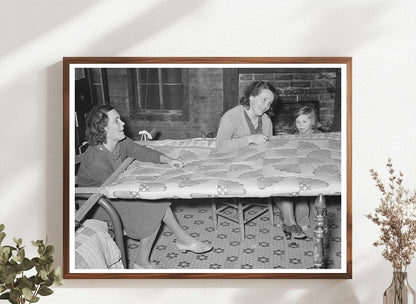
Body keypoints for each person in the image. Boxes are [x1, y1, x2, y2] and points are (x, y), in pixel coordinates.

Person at [77, 105, 212, 269]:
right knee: (151, 207)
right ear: (103, 129)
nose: (123, 124)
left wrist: (168, 160)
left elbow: (143, 152)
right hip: (96, 203)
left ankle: (177, 243)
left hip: (112, 191)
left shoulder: (121, 143)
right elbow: (113, 189)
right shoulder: (95, 159)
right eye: (116, 121)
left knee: (158, 202)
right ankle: (167, 248)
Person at [215, 81, 306, 239]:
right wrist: (250, 139)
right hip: (236, 167)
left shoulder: (266, 120)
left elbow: (269, 147)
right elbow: (220, 147)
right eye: (263, 100)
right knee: (278, 178)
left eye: (269, 103)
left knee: (285, 174)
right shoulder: (231, 117)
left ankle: (289, 220)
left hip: (259, 164)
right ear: (250, 97)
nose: (266, 106)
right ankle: (290, 221)